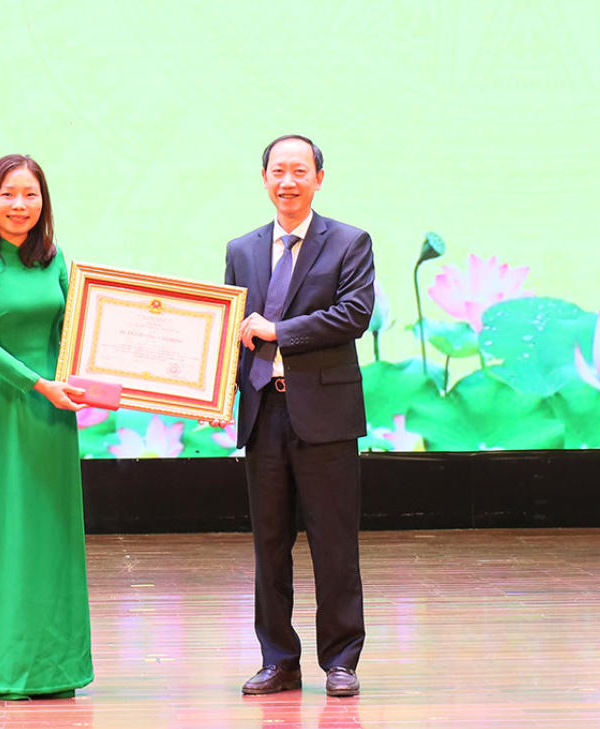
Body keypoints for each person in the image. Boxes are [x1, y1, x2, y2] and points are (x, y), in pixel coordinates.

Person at [224, 135, 374, 697]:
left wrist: (279, 331)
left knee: (334, 544)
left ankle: (341, 660)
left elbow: (354, 314)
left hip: (325, 415)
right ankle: (278, 660)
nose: (288, 181)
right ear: (264, 178)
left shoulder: (350, 242)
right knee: (269, 546)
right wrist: (214, 396)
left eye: (299, 171)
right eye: (278, 171)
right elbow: (231, 331)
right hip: (264, 411)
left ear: (318, 178)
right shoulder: (241, 249)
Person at [0, 154, 92, 699]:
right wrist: (39, 384)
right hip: (6, 409)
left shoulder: (54, 259)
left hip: (53, 414)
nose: (19, 205)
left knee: (53, 535)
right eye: (8, 194)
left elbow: (78, 330)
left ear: (43, 202)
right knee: (5, 534)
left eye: (30, 194)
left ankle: (56, 670)